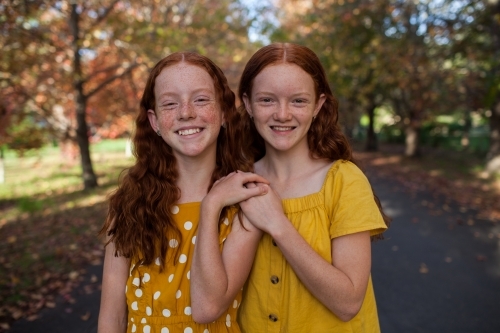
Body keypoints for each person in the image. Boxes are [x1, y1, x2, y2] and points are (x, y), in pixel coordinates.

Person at [191, 43, 391, 333]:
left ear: (318, 105)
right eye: (267, 100)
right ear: (247, 103)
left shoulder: (344, 181)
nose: (282, 114)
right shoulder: (239, 184)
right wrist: (210, 205)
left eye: (298, 101)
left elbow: (348, 303)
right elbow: (209, 303)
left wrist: (278, 225)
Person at [97, 51, 269, 333]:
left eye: (201, 99)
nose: (186, 112)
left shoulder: (245, 202)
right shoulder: (129, 205)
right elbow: (111, 318)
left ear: (225, 112)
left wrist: (211, 203)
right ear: (154, 122)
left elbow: (210, 307)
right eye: (170, 103)